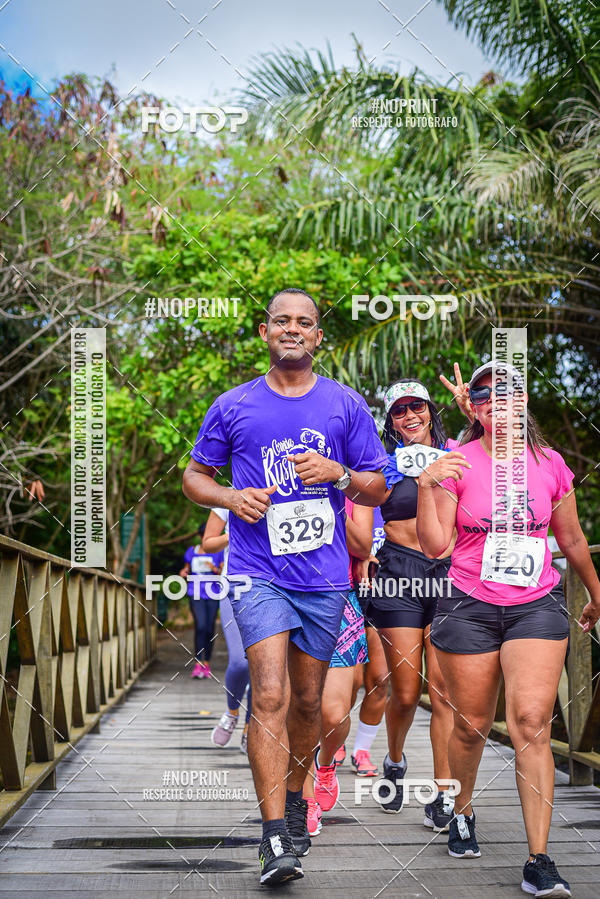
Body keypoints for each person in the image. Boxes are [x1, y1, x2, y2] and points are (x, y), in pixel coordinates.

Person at [182, 287, 388, 886]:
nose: (293, 329)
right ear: (265, 332)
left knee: (307, 702)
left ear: (318, 337)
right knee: (268, 694)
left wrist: (340, 475)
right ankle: (273, 834)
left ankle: (296, 797)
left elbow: (377, 487)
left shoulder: (345, 406)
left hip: (322, 579)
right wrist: (228, 496)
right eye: (282, 321)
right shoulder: (234, 405)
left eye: (305, 323)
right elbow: (196, 477)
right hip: (256, 572)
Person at [417, 360, 600, 897]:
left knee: (530, 722)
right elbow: (435, 547)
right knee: (471, 724)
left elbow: (570, 539)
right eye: (487, 397)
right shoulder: (458, 463)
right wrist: (428, 485)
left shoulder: (549, 464)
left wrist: (596, 590)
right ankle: (462, 809)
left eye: (510, 395)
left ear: (524, 404)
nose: (500, 404)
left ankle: (539, 858)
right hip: (469, 604)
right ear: (474, 408)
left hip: (535, 606)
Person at [360, 375, 472, 830]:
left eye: (418, 407)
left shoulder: (456, 458)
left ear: (431, 411)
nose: (410, 416)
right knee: (405, 692)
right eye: (400, 411)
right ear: (391, 421)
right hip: (398, 578)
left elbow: (494, 456)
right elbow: (357, 501)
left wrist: (471, 412)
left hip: (449, 577)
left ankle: (445, 797)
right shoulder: (384, 464)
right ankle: (394, 761)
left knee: (444, 693)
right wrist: (361, 547)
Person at [304, 499, 372, 830]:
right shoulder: (273, 468)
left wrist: (328, 504)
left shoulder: (353, 485)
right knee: (295, 707)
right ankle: (303, 801)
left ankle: (326, 761)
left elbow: (362, 544)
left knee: (334, 715)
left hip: (337, 598)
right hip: (281, 594)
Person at [202, 507, 252, 753]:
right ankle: (232, 711)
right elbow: (208, 544)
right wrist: (236, 534)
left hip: (279, 587)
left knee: (264, 667)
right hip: (235, 585)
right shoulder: (228, 495)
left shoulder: (286, 485)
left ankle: (250, 727)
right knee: (241, 662)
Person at [351, 506, 388, 778]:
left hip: (387, 594)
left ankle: (362, 750)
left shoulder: (402, 491)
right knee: (350, 680)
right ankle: (333, 739)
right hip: (347, 591)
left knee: (380, 678)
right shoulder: (349, 491)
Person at [179, 524, 223, 678]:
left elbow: (223, 574)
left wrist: (215, 568)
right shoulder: (191, 551)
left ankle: (207, 664)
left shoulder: (218, 552)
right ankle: (198, 663)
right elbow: (186, 569)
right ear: (200, 536)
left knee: (210, 629)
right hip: (195, 592)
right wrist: (184, 572)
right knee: (201, 626)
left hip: (212, 593)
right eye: (203, 534)